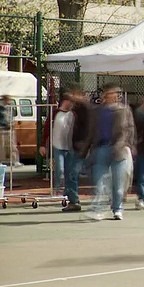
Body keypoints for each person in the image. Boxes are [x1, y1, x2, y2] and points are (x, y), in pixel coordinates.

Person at [87, 82, 135, 220]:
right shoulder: (97, 111)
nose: (115, 96)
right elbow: (91, 131)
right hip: (101, 148)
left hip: (119, 149)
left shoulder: (124, 110)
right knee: (100, 181)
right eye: (111, 93)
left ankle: (117, 208)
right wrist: (88, 149)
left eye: (116, 94)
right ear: (104, 95)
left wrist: (128, 146)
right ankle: (99, 208)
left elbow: (129, 130)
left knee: (119, 183)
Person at [62, 84, 91, 212]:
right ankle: (72, 199)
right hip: (73, 145)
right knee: (70, 173)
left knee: (73, 173)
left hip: (80, 146)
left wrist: (84, 147)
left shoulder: (85, 108)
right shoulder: (75, 107)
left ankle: (74, 200)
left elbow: (89, 129)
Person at [40, 94, 74, 193]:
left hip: (70, 146)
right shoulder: (55, 113)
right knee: (60, 169)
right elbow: (46, 129)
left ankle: (67, 189)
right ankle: (57, 188)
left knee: (69, 170)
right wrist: (43, 144)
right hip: (57, 145)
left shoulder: (72, 114)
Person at [0, 95, 22, 166]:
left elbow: (12, 117)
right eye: (7, 100)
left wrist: (12, 124)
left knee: (12, 145)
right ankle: (1, 161)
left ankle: (15, 160)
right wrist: (5, 124)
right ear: (4, 100)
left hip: (10, 129)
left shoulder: (10, 107)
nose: (8, 101)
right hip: (2, 129)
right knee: (2, 146)